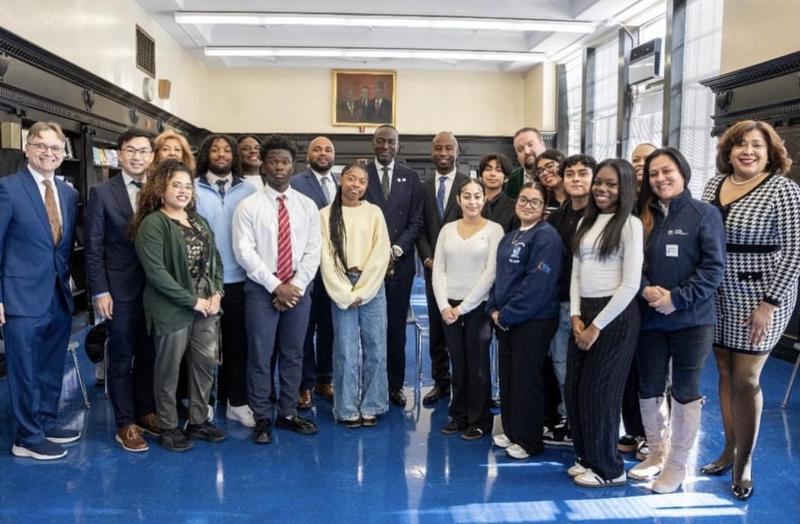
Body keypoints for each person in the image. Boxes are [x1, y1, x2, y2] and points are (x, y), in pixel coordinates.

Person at [700, 120, 800, 500]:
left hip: (763, 295)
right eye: (740, 144)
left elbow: (794, 252)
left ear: (770, 151)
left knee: (747, 378)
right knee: (724, 370)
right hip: (719, 291)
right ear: (728, 150)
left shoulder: (784, 190)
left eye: (757, 145)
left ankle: (745, 461)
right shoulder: (714, 185)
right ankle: (728, 447)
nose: (748, 151)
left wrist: (768, 305)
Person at [627, 147, 725, 493]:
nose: (660, 179)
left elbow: (713, 269)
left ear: (683, 173)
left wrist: (676, 299)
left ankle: (676, 466)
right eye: (654, 174)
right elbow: (628, 263)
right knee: (649, 388)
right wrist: (644, 289)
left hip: (691, 321)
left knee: (685, 392)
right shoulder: (640, 216)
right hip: (650, 321)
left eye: (667, 171)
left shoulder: (704, 214)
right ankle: (655, 454)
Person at [131, 160, 227, 452]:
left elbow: (216, 261)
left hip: (206, 306)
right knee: (168, 369)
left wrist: (217, 293)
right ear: (161, 188)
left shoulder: (198, 221)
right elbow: (156, 273)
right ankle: (169, 426)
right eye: (177, 185)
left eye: (188, 185)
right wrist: (192, 300)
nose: (184, 191)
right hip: (171, 307)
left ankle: (198, 420)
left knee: (204, 365)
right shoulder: (153, 223)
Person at [233, 135, 321, 444]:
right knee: (260, 354)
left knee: (294, 353)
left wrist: (293, 287)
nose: (279, 167)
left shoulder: (307, 206)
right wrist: (275, 286)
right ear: (263, 165)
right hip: (261, 290)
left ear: (292, 165)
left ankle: (287, 412)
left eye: (284, 161)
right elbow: (244, 251)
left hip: (298, 290)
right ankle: (261, 417)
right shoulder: (249, 206)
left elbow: (313, 251)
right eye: (272, 161)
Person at [0, 121, 80, 460]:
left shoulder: (69, 193)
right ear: (27, 149)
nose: (49, 152)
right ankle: (27, 438)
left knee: (50, 366)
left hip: (58, 295)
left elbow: (61, 246)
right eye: (41, 145)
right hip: (20, 297)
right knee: (25, 369)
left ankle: (45, 422)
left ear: (63, 154)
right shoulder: (7, 188)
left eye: (56, 147)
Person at [566, 158, 643, 488]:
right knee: (575, 390)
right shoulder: (587, 220)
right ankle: (586, 456)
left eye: (611, 184)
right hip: (583, 312)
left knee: (600, 393)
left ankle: (609, 469)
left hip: (615, 316)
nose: (602, 189)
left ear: (624, 187)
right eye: (599, 182)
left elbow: (630, 284)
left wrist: (596, 325)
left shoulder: (630, 224)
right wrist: (574, 315)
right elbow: (576, 272)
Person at [85, 128, 159, 452]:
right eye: (131, 150)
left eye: (144, 151)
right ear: (119, 153)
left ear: (152, 156)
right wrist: (100, 291)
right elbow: (93, 247)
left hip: (156, 290)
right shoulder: (102, 193)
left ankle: (144, 412)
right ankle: (125, 423)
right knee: (121, 357)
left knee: (149, 354)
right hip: (119, 290)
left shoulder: (160, 191)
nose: (137, 156)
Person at [488, 183, 563, 457]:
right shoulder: (509, 237)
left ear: (544, 208)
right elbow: (500, 278)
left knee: (527, 379)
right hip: (506, 320)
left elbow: (538, 284)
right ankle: (511, 431)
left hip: (533, 321)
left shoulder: (547, 237)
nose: (527, 205)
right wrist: (494, 309)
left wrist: (507, 314)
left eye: (535, 202)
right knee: (508, 377)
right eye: (523, 199)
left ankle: (530, 440)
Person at [320, 163, 391, 427]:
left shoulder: (374, 212)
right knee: (345, 350)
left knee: (375, 347)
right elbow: (326, 257)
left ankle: (373, 404)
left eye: (362, 181)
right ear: (341, 180)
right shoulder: (326, 215)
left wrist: (364, 289)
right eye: (351, 178)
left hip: (371, 285)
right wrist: (345, 292)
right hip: (341, 286)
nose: (356, 185)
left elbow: (381, 252)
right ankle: (346, 408)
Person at [194, 134, 257, 427]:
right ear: (207, 154)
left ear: (235, 156)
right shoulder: (192, 188)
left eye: (227, 150)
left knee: (237, 344)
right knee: (203, 347)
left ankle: (237, 402)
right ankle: (203, 402)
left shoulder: (248, 190)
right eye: (215, 149)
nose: (221, 154)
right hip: (202, 281)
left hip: (238, 279)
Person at [433, 179, 503, 439]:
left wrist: (462, 308)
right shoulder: (447, 230)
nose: (472, 201)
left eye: (477, 196)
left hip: (478, 307)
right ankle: (458, 415)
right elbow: (439, 269)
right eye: (467, 196)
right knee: (458, 363)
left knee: (478, 365)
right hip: (448, 308)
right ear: (458, 200)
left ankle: (479, 419)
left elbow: (491, 273)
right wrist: (444, 306)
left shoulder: (494, 230)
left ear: (484, 199)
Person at [364, 125, 424, 407]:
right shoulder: (361, 174)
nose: (385, 146)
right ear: (373, 144)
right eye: (380, 141)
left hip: (400, 264)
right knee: (368, 328)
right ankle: (369, 383)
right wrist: (377, 252)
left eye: (391, 142)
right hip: (366, 264)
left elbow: (416, 222)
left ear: (398, 146)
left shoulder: (411, 177)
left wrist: (395, 249)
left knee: (396, 328)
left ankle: (395, 385)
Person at [543, 154, 596, 446]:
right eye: (570, 174)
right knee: (562, 367)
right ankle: (570, 420)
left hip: (594, 306)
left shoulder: (603, 216)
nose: (576, 179)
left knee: (591, 371)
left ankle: (589, 423)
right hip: (561, 302)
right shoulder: (557, 218)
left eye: (583, 173)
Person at [416, 131, 468, 405]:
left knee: (460, 329)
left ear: (457, 151)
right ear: (432, 152)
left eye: (449, 148)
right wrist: (427, 258)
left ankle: (464, 384)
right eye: (438, 148)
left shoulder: (468, 184)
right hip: (431, 270)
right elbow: (420, 228)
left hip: (462, 271)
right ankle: (441, 382)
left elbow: (473, 225)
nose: (444, 153)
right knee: (437, 327)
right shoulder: (423, 187)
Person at [290, 136, 338, 408]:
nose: (323, 153)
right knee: (304, 330)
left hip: (334, 271)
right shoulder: (296, 183)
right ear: (307, 155)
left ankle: (324, 379)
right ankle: (304, 385)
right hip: (305, 269)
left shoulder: (340, 183)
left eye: (328, 149)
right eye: (317, 148)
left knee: (329, 328)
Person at [618, 142, 658, 457]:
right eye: (635, 160)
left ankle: (653, 436)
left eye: (647, 159)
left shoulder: (663, 203)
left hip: (657, 300)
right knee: (628, 369)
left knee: (653, 371)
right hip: (628, 298)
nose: (640, 164)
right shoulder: (626, 204)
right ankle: (633, 430)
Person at [478, 153, 518, 233]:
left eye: (498, 170)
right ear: (481, 176)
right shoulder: (472, 203)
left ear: (506, 178)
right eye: (488, 169)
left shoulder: (514, 207)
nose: (492, 174)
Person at [505, 127, 546, 199]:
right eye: (520, 149)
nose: (527, 151)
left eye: (530, 145)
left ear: (542, 145)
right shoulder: (513, 178)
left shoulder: (557, 174)